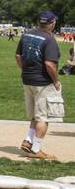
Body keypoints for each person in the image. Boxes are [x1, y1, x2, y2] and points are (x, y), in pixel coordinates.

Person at [17, 11, 64, 160]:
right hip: (43, 81)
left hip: (27, 79)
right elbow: (50, 64)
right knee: (43, 117)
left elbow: (18, 56)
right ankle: (36, 150)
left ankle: (28, 140)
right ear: (52, 23)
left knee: (35, 115)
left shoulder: (27, 34)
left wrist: (25, 69)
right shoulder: (49, 39)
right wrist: (55, 80)